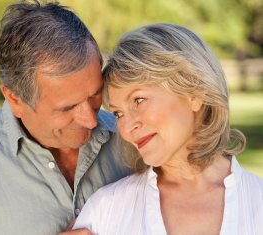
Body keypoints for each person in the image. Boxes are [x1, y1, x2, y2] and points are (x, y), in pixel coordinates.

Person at [0, 1, 133, 234]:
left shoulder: (134, 140)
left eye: (94, 95)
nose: (91, 121)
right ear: (15, 100)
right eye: (67, 108)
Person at [72, 23, 263, 234]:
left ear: (195, 93)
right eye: (118, 114)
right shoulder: (105, 210)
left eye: (139, 100)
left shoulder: (258, 203)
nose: (126, 128)